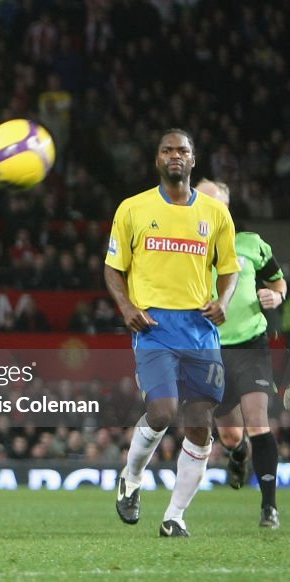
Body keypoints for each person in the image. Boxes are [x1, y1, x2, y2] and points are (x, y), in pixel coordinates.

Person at [105, 129, 239, 537]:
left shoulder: (216, 214)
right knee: (162, 411)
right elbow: (113, 267)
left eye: (182, 150)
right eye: (167, 150)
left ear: (193, 159)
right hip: (155, 326)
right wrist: (127, 306)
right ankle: (131, 478)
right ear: (157, 160)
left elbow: (231, 269)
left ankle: (175, 516)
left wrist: (224, 301)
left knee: (200, 424)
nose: (175, 156)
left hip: (199, 329)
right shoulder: (133, 208)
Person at [197, 178, 283, 528]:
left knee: (258, 422)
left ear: (226, 208)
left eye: (212, 202)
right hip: (208, 349)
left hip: (250, 344)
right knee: (231, 435)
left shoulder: (251, 245)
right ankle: (236, 453)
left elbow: (277, 281)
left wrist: (276, 296)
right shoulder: (186, 249)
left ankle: (269, 507)